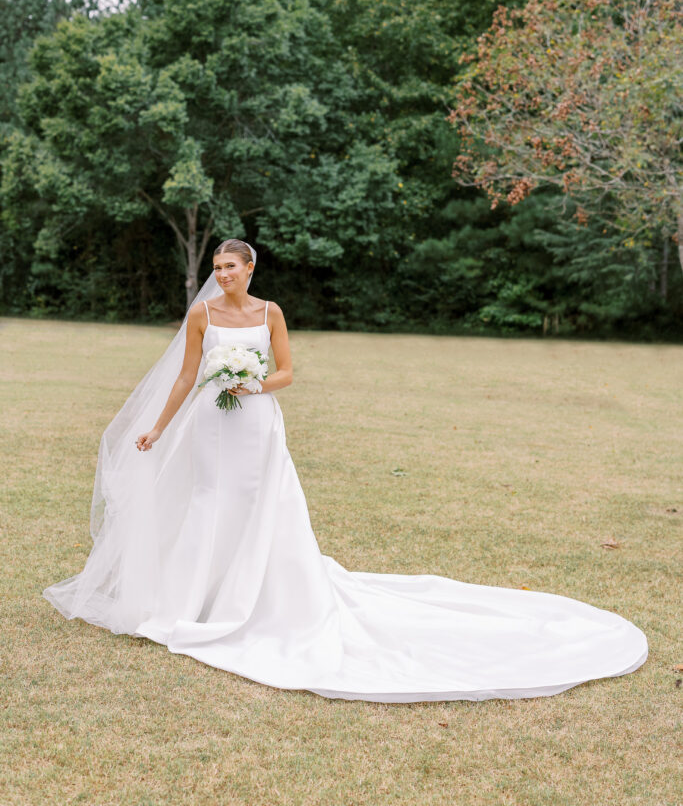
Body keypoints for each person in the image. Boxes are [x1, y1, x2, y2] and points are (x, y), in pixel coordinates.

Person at [44, 238, 648, 702]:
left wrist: (251, 381)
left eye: (233, 266)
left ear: (251, 271)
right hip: (209, 422)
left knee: (258, 505)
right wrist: (158, 426)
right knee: (209, 501)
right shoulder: (202, 317)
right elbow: (182, 376)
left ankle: (258, 598)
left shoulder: (270, 312)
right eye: (218, 267)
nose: (224, 274)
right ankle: (197, 600)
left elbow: (286, 373)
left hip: (254, 421)